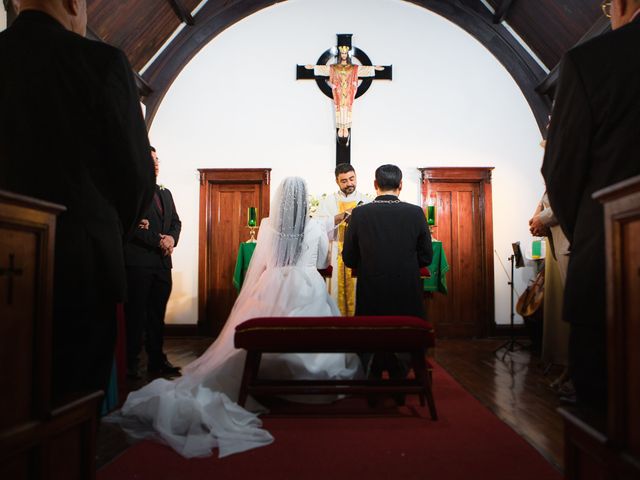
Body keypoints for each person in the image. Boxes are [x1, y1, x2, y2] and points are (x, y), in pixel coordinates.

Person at [116, 177, 361, 458]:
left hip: (272, 284)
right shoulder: (316, 226)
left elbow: (263, 263)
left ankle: (264, 379)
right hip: (308, 284)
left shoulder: (268, 227)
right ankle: (309, 382)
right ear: (305, 199)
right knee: (314, 329)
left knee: (264, 332)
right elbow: (321, 262)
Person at [0, 0, 155, 401]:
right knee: (71, 409)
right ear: (73, 3)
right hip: (79, 269)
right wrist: (103, 233)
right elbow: (137, 176)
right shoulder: (99, 63)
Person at [541, 0, 640, 411]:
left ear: (623, 3)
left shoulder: (594, 61)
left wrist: (592, 235)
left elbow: (560, 171)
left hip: (611, 269)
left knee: (608, 420)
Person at [342, 164, 432, 381]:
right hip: (406, 295)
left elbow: (349, 258)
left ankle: (372, 368)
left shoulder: (359, 214)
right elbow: (426, 257)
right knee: (405, 335)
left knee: (371, 335)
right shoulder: (415, 213)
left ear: (375, 185)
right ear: (400, 185)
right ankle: (400, 369)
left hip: (371, 294)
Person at [124, 147, 182, 379]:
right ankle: (131, 362)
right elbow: (131, 226)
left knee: (157, 315)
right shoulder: (131, 191)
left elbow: (176, 222)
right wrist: (159, 240)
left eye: (158, 159)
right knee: (136, 315)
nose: (156, 163)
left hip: (162, 263)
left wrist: (171, 239)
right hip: (138, 262)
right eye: (151, 160)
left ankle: (157, 360)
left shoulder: (165, 193)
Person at [529, 192, 572, 394]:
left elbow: (568, 195)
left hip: (571, 241)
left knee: (578, 313)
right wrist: (537, 217)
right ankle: (570, 368)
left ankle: (576, 373)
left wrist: (542, 218)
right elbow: (551, 195)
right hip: (559, 242)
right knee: (570, 312)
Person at [316, 163, 370, 315]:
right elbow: (319, 226)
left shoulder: (366, 201)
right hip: (335, 252)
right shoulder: (328, 202)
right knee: (334, 290)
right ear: (337, 182)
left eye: (352, 179)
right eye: (344, 181)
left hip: (359, 253)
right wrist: (340, 217)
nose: (349, 183)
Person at [306, 42, 384, 141]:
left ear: (347, 55)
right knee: (338, 108)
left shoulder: (352, 68)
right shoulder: (334, 68)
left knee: (347, 109)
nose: (343, 55)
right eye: (342, 54)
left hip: (349, 93)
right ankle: (341, 127)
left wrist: (374, 68)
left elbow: (361, 70)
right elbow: (325, 69)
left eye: (345, 54)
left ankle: (346, 128)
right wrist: (314, 67)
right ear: (340, 55)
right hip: (338, 93)